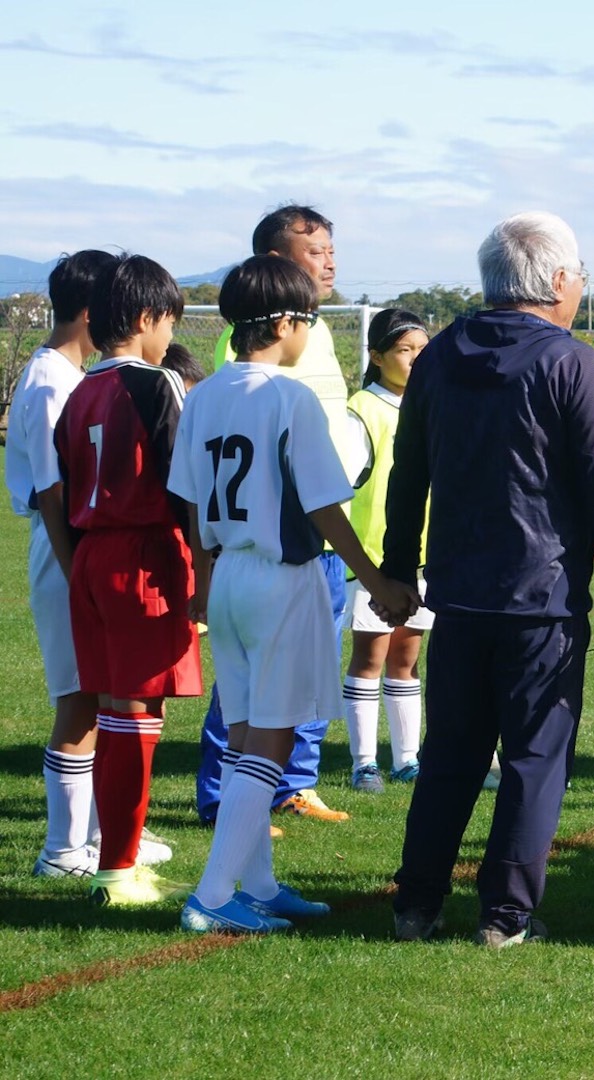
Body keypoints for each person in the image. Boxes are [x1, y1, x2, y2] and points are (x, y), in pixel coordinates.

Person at [388, 212, 594, 948]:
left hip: (460, 588)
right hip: (541, 592)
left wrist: (398, 569)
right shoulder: (572, 362)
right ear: (559, 281)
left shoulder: (437, 356)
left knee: (452, 754)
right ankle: (504, 913)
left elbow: (410, 473)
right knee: (535, 757)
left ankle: (416, 903)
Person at [170, 256, 419, 933]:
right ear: (285, 324)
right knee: (270, 741)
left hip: (229, 577)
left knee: (248, 730)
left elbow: (190, 499)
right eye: (308, 320)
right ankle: (214, 894)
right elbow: (324, 507)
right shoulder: (290, 397)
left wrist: (203, 576)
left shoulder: (206, 394)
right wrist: (377, 583)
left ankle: (257, 882)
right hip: (280, 579)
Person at [51, 253, 202, 906]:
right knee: (137, 715)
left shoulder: (80, 387)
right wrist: (201, 568)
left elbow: (60, 481)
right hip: (143, 554)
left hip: (92, 558)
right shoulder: (154, 384)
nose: (170, 337)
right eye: (168, 322)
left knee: (114, 711)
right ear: (146, 318)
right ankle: (117, 869)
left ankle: (114, 857)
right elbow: (186, 483)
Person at [196, 204, 353, 826]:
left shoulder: (315, 337)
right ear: (271, 265)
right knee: (260, 706)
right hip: (282, 548)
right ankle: (223, 822)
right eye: (313, 250)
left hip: (278, 549)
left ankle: (287, 794)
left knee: (286, 693)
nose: (328, 260)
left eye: (330, 248)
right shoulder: (256, 368)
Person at [12, 249, 123, 879]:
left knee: (103, 694)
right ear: (89, 312)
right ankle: (61, 849)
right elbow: (52, 490)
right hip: (67, 550)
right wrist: (77, 568)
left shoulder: (69, 374)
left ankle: (106, 837)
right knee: (78, 697)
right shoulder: (52, 379)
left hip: (81, 549)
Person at [341, 309, 435, 793]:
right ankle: (363, 762)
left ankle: (407, 758)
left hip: (422, 557)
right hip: (374, 561)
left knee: (406, 659)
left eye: (422, 348)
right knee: (370, 658)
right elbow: (344, 488)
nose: (416, 359)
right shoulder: (362, 409)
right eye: (404, 350)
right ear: (376, 357)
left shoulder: (430, 405)